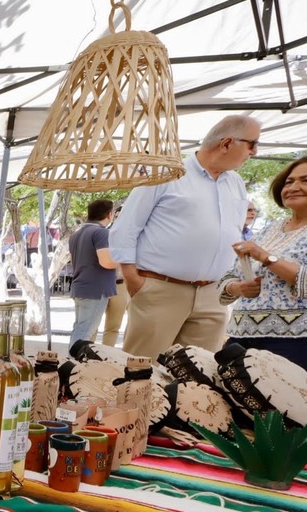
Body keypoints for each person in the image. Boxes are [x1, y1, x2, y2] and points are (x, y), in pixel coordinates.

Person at [110, 116, 258, 358]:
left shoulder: (236, 182)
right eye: (252, 144)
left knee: (198, 376)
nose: (254, 152)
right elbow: (127, 227)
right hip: (160, 289)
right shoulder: (168, 172)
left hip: (213, 295)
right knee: (144, 373)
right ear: (227, 143)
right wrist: (133, 280)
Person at [218, 157, 307, 362]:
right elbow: (228, 278)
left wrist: (266, 257)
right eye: (289, 182)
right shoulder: (269, 229)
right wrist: (238, 288)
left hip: (295, 343)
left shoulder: (260, 244)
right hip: (242, 338)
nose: (294, 187)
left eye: (305, 180)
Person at [67, 199, 118, 352]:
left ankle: (70, 363)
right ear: (109, 215)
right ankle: (72, 366)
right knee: (85, 332)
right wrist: (126, 260)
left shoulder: (76, 234)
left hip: (80, 286)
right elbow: (106, 262)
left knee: (80, 328)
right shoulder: (101, 232)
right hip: (95, 289)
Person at [100, 200, 129, 346]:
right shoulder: (105, 234)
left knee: (115, 327)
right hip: (107, 283)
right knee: (96, 326)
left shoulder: (133, 235)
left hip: (124, 285)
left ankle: (108, 357)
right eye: (117, 215)